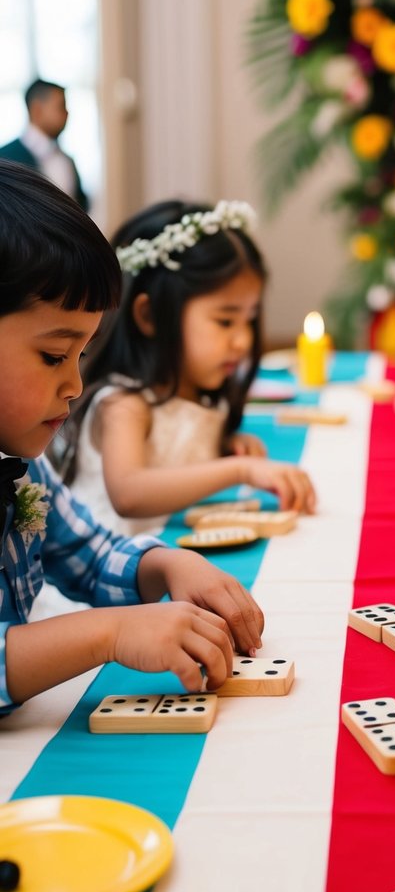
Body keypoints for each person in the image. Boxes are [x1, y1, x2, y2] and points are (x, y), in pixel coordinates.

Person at [0, 159, 264, 714]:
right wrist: (110, 634)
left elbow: (92, 557)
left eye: (81, 355)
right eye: (53, 356)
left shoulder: (24, 462)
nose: (74, 384)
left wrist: (168, 565)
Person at [58, 198, 316, 537]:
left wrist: (226, 446)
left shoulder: (199, 392)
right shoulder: (124, 403)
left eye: (249, 320)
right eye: (225, 321)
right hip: (110, 573)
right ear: (150, 316)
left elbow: (180, 450)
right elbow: (129, 494)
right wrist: (239, 470)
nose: (242, 340)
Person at [0, 79, 89, 210]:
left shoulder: (66, 160)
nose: (67, 113)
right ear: (37, 110)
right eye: (61, 106)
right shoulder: (4, 158)